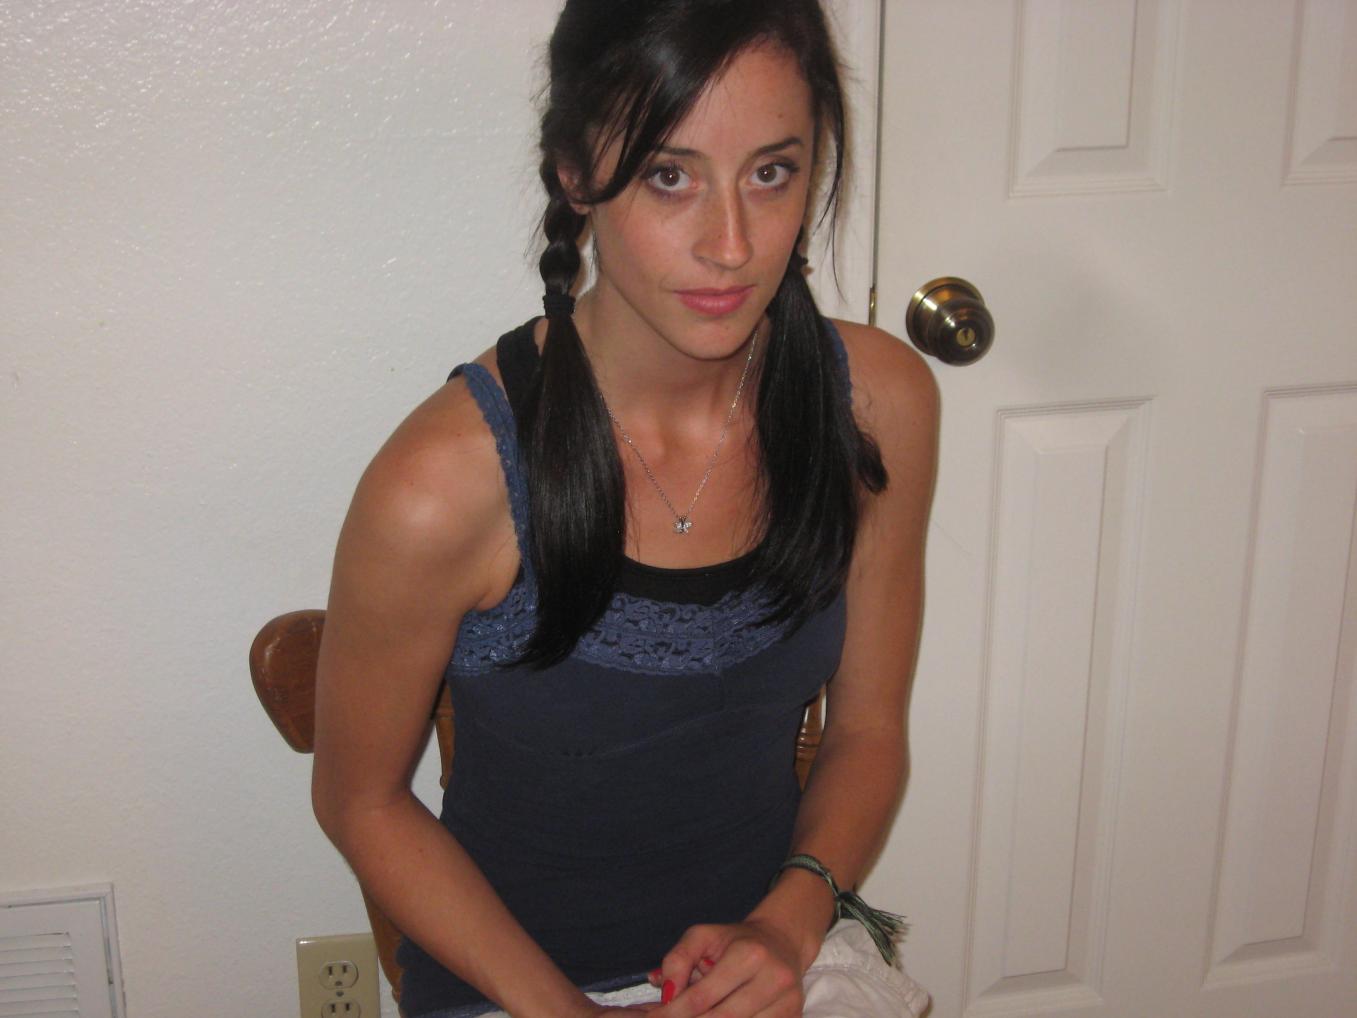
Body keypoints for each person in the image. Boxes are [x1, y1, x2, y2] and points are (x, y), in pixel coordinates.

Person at [310, 1, 938, 1015]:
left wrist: (786, 922)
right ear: (572, 172)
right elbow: (361, 801)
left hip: (770, 957)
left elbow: (867, 729)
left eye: (771, 173)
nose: (730, 244)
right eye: (668, 175)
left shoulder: (873, 405)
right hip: (512, 990)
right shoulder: (447, 484)